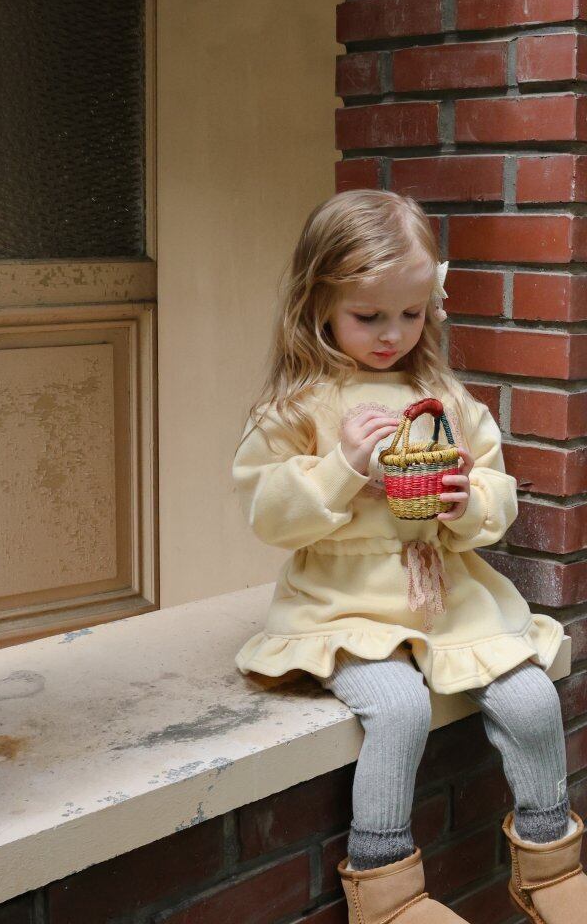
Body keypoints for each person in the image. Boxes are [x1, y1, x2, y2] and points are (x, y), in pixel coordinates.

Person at [230, 189, 587, 923]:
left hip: (443, 597)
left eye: (411, 313)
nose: (392, 334)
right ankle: (385, 885)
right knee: (398, 707)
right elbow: (268, 510)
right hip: (346, 601)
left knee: (531, 695)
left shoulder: (441, 396)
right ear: (319, 302)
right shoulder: (299, 406)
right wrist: (341, 466)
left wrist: (466, 504)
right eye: (369, 316)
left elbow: (494, 488)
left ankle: (551, 860)